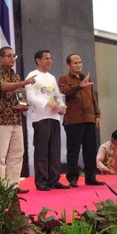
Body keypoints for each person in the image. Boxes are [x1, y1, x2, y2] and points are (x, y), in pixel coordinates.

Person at [0, 46, 35, 194]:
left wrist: (24, 105)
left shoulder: (15, 76)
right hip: (2, 119)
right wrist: (23, 83)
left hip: (16, 119)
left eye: (13, 56)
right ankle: (0, 187)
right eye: (8, 56)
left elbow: (19, 96)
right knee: (0, 156)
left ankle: (13, 185)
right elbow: (3, 87)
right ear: (0, 58)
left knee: (17, 153)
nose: (12, 59)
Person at [26, 50, 68, 191]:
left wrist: (61, 107)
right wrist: (47, 105)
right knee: (42, 151)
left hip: (54, 117)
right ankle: (41, 181)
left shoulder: (51, 77)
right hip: (41, 117)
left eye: (50, 58)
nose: (50, 61)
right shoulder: (32, 76)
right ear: (38, 60)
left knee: (54, 151)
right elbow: (30, 97)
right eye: (46, 58)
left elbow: (57, 95)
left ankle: (54, 180)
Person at [58, 54, 103, 187]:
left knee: (90, 150)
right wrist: (79, 86)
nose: (79, 64)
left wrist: (98, 115)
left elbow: (93, 98)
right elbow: (64, 92)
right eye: (75, 63)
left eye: (80, 62)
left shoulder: (86, 79)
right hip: (73, 120)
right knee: (73, 151)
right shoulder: (64, 79)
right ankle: (72, 178)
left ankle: (91, 177)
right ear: (68, 65)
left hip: (89, 118)